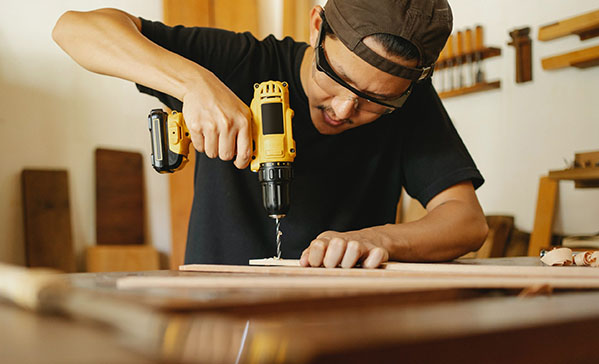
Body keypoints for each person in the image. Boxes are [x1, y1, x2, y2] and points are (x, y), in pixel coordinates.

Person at [53, 0, 488, 268]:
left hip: (348, 324)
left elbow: (466, 222)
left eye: (377, 101)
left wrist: (378, 239)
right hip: (217, 319)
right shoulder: (241, 62)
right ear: (317, 26)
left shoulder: (411, 103)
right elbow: (73, 29)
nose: (343, 108)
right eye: (336, 78)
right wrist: (194, 85)